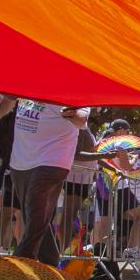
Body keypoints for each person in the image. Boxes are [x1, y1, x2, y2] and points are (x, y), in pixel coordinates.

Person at [8, 101, 90, 266]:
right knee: (35, 217)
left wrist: (71, 114)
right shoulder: (28, 86)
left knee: (36, 215)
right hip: (20, 162)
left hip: (52, 163)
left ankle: (19, 264)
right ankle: (51, 262)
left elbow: (82, 118)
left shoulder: (74, 93)